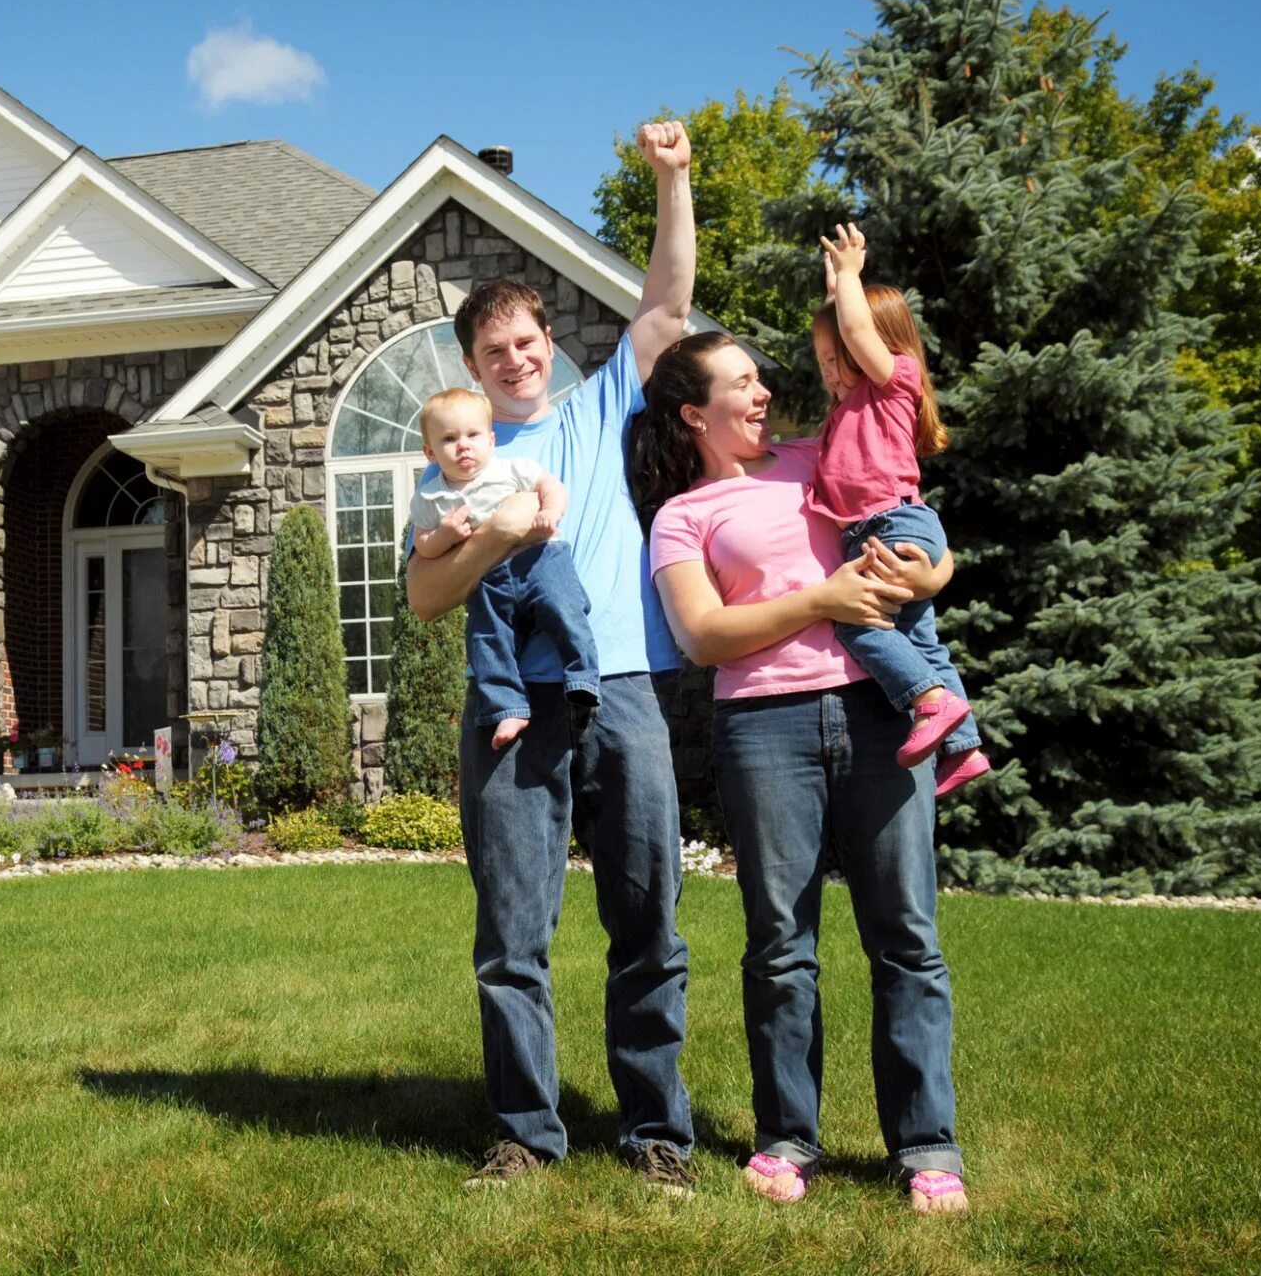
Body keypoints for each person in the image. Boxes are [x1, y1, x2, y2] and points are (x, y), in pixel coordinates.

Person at [407, 120, 696, 1194]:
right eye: (493, 353)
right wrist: (499, 532)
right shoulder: (454, 463)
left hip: (618, 690)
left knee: (646, 920)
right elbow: (427, 593)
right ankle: (526, 1130)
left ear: (548, 343)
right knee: (510, 933)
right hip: (508, 712)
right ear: (470, 367)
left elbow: (664, 303)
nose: (516, 360)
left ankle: (657, 1129)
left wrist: (671, 178)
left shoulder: (604, 403)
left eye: (527, 342)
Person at [633, 331, 971, 1215]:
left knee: (906, 936)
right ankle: (787, 1137)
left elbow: (914, 518)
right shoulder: (683, 515)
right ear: (693, 413)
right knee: (781, 946)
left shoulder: (822, 454)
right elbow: (704, 636)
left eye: (759, 378)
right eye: (740, 383)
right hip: (764, 727)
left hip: (879, 711)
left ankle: (927, 1145)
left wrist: (937, 567)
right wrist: (820, 600)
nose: (761, 392)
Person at [813, 223, 989, 795]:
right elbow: (849, 328)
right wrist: (835, 291)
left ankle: (930, 701)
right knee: (922, 642)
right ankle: (964, 751)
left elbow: (859, 330)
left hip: (890, 523)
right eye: (822, 362)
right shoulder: (842, 414)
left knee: (856, 623)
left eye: (838, 358)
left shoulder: (894, 384)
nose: (830, 372)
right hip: (892, 523)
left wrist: (849, 280)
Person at [410, 386, 600, 750]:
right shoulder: (430, 496)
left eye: (473, 435)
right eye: (449, 439)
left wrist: (550, 511)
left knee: (565, 610)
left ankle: (583, 679)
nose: (463, 445)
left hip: (540, 559)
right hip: (490, 579)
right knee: (486, 637)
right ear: (430, 452)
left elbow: (552, 487)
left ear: (491, 439)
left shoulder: (511, 469)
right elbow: (423, 544)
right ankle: (508, 707)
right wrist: (446, 534)